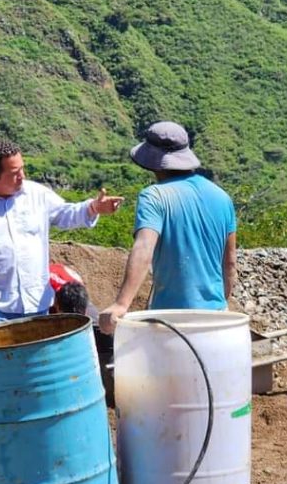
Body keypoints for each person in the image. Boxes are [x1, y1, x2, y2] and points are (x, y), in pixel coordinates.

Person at [0, 140, 123, 327]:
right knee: (0, 357)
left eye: (22, 169)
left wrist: (93, 207)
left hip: (38, 306)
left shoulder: (36, 194)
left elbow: (66, 213)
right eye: (15, 173)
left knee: (38, 358)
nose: (22, 176)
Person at [99, 121, 236, 334]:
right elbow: (230, 263)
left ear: (152, 162)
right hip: (217, 319)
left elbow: (144, 248)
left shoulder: (154, 196)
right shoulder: (222, 197)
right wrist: (219, 305)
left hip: (171, 323)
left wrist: (121, 304)